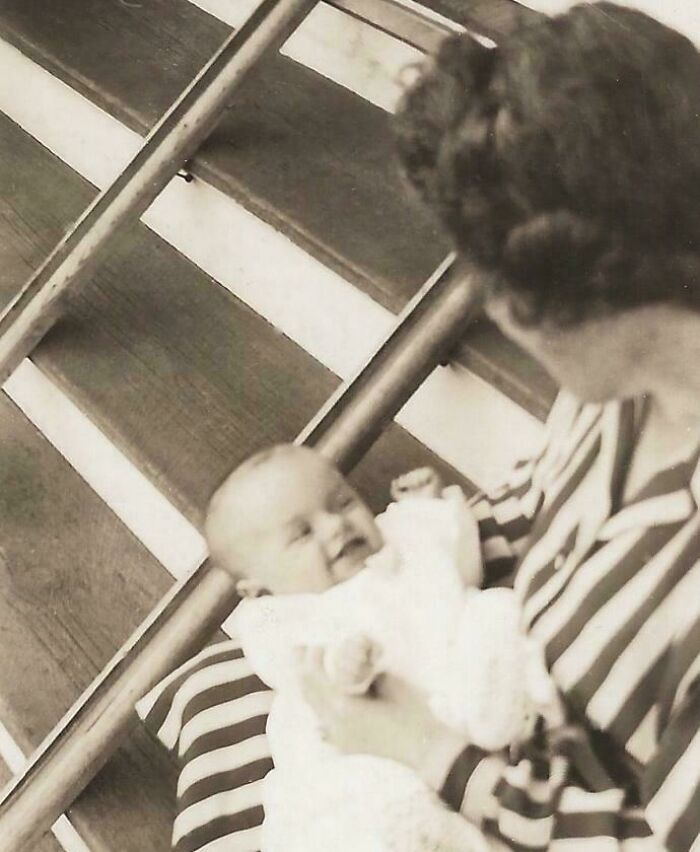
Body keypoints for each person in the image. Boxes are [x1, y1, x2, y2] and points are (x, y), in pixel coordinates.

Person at [298, 4, 700, 852]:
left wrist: (422, 748)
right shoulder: (616, 391)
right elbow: (538, 503)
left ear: (551, 302)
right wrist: (396, 562)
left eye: (486, 282)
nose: (488, 309)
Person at [204, 444, 506, 852]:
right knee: (339, 803)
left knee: (495, 613)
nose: (335, 526)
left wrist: (428, 505)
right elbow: (289, 665)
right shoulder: (280, 614)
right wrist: (336, 662)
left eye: (343, 502)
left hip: (453, 708)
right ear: (258, 588)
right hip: (351, 744)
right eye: (303, 533)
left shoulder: (401, 545)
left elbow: (453, 552)